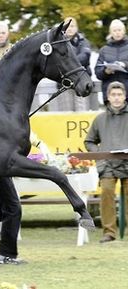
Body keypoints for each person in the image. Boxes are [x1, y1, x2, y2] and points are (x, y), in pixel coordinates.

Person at [84, 81, 128, 243]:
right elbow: (89, 141)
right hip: (108, 165)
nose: (117, 98)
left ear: (125, 96)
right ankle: (109, 232)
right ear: (108, 97)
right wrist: (99, 154)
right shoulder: (100, 119)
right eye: (113, 95)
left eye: (120, 94)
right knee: (107, 193)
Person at [51, 17, 93, 111]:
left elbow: (85, 57)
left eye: (72, 26)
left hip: (81, 83)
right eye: (67, 26)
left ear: (77, 28)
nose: (70, 28)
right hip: (64, 85)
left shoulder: (84, 42)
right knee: (66, 116)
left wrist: (67, 63)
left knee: (82, 115)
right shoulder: (57, 43)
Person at [95, 19, 128, 105]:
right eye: (114, 30)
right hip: (110, 94)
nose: (117, 33)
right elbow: (98, 72)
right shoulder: (104, 50)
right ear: (111, 32)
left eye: (119, 30)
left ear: (124, 31)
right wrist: (106, 71)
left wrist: (125, 65)